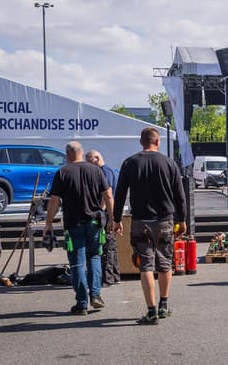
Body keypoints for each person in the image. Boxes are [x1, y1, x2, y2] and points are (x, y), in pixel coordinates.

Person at [113, 127, 187, 325]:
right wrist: (182, 219)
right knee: (164, 263)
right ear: (158, 142)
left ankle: (151, 310)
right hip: (165, 220)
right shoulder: (169, 164)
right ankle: (163, 305)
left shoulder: (130, 163)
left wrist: (116, 218)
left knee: (145, 264)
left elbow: (119, 193)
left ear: (141, 142)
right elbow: (180, 195)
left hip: (141, 221)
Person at [43, 141, 113, 315]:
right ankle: (96, 295)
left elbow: (54, 201)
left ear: (67, 155)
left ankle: (82, 303)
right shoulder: (96, 170)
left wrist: (48, 224)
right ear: (81, 153)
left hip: (74, 225)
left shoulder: (63, 172)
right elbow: (108, 195)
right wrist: (113, 218)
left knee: (77, 263)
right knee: (95, 258)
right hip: (95, 223)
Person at [85, 150, 120, 286]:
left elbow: (107, 193)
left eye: (89, 161)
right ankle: (115, 275)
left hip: (105, 213)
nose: (88, 165)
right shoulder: (107, 171)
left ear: (96, 159)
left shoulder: (105, 172)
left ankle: (107, 278)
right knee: (111, 245)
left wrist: (100, 211)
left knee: (106, 245)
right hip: (108, 213)